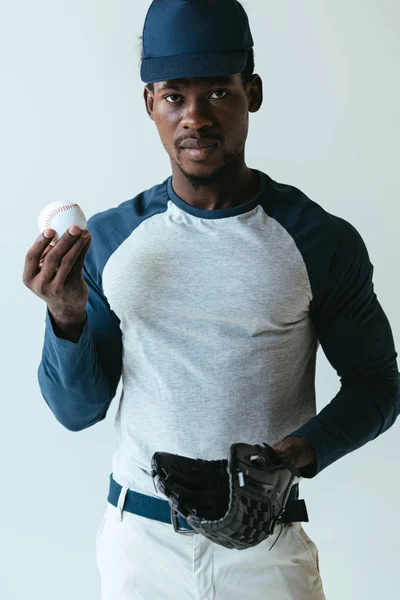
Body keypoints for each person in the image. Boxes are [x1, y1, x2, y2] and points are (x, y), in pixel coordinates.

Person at [23, 1, 400, 598]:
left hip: (266, 551)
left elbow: (379, 384)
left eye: (217, 94)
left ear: (251, 92)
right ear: (150, 103)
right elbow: (77, 412)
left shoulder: (318, 240)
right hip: (139, 547)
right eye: (174, 96)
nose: (194, 117)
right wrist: (64, 314)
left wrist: (295, 457)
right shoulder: (114, 239)